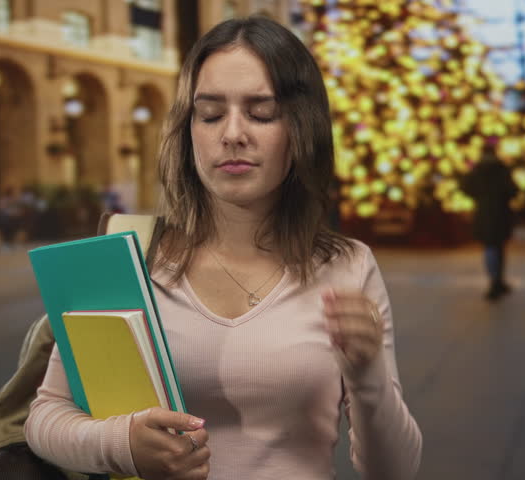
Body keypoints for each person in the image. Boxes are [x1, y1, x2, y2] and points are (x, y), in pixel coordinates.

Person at [23, 17, 422, 479]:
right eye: (210, 114)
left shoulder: (348, 266)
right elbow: (45, 416)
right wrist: (122, 443)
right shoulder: (124, 259)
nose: (232, 133)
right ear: (189, 128)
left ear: (301, 128)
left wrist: (368, 375)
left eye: (261, 113)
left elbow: (396, 471)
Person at [460, 143, 519, 301]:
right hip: (501, 213)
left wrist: (479, 197)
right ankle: (497, 280)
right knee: (498, 247)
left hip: (484, 213)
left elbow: (465, 186)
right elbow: (513, 190)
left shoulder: (478, 170)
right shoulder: (501, 169)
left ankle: (495, 280)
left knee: (490, 247)